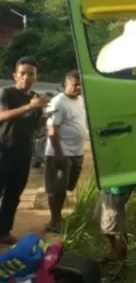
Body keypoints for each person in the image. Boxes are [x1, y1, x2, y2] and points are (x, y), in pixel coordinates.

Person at [0, 57, 49, 244]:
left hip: (23, 153)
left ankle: (3, 231)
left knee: (14, 194)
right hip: (3, 150)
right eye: (22, 73)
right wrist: (29, 106)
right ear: (15, 75)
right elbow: (2, 115)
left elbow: (35, 126)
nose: (26, 77)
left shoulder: (34, 98)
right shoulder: (7, 93)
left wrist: (44, 115)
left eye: (31, 74)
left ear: (36, 77)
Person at [43, 70, 86, 233]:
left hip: (77, 152)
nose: (78, 88)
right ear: (65, 84)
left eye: (81, 85)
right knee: (56, 189)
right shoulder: (58, 102)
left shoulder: (81, 100)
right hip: (60, 153)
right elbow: (52, 129)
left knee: (67, 187)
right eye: (75, 85)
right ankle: (54, 221)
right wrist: (58, 153)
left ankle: (58, 219)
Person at [93, 183, 136, 278]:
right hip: (108, 186)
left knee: (116, 229)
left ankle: (121, 264)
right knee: (104, 223)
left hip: (117, 189)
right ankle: (114, 253)